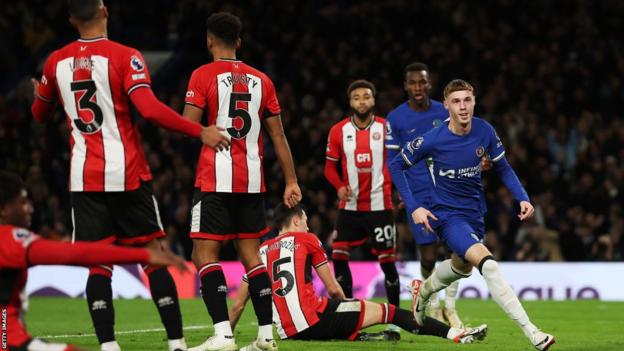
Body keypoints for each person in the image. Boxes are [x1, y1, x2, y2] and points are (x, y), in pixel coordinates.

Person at [29, 1, 225, 350]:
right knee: (153, 254)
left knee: (98, 265)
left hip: (84, 178)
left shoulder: (54, 61)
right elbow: (148, 109)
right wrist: (200, 132)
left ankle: (108, 346)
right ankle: (177, 344)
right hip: (127, 174)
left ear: (71, 19)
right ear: (104, 11)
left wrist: (37, 94)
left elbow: (39, 114)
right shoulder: (124, 56)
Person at [388, 79, 555, 351]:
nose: (463, 107)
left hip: (475, 213)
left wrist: (522, 197)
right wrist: (414, 206)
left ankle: (424, 290)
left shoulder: (484, 130)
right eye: (456, 101)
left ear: (474, 101)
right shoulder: (433, 139)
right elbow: (397, 165)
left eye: (467, 100)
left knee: (462, 267)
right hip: (446, 214)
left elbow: (503, 167)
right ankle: (533, 333)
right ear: (446, 105)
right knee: (488, 265)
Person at [182, 12, 301, 351]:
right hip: (252, 182)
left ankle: (223, 334)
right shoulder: (262, 80)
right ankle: (266, 336)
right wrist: (291, 180)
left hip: (213, 180)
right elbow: (278, 134)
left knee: (204, 254)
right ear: (239, 41)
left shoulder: (202, 75)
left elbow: (190, 124)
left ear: (209, 40)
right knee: (251, 257)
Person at [227, 204, 487, 345]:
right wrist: (349, 305)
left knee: (346, 314)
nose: (307, 224)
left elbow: (238, 304)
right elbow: (332, 288)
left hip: (286, 331)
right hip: (313, 321)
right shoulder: (306, 239)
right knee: (389, 312)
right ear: (296, 221)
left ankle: (357, 333)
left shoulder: (259, 251)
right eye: (305, 220)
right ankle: (456, 335)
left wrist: (228, 336)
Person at [0, 171, 189, 351]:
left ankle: (107, 344)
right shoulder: (11, 240)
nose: (29, 208)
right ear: (3, 210)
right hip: (9, 341)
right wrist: (144, 255)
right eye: (23, 202)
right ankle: (177, 341)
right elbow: (73, 254)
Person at [386, 62, 474, 327]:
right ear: (405, 87)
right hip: (419, 194)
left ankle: (450, 306)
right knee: (427, 255)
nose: (418, 87)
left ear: (429, 84)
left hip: (450, 189)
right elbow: (392, 159)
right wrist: (396, 191)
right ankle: (433, 301)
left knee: (459, 248)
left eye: (422, 82)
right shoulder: (396, 118)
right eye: (412, 83)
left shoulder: (444, 109)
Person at [324, 80, 400, 333]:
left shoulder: (387, 129)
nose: (362, 102)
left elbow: (398, 165)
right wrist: (338, 186)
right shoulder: (338, 131)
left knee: (388, 263)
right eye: (356, 97)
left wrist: (400, 193)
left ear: (373, 101)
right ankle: (348, 314)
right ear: (350, 102)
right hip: (350, 207)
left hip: (381, 206)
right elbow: (329, 168)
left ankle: (395, 322)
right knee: (338, 256)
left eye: (366, 97)